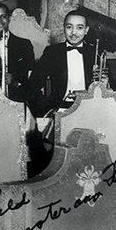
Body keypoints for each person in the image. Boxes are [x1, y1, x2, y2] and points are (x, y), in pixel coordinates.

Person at [26, 10, 98, 176]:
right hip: (61, 109)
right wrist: (43, 110)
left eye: (79, 28)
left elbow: (111, 88)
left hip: (90, 110)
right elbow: (33, 85)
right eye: (69, 27)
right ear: (63, 29)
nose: (74, 32)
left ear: (86, 30)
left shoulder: (96, 52)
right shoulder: (53, 52)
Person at [0, 4, 35, 102]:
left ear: (9, 18)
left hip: (16, 98)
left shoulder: (24, 45)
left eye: (3, 17)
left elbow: (31, 77)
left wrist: (15, 82)